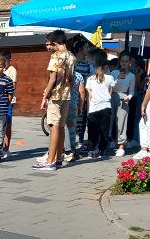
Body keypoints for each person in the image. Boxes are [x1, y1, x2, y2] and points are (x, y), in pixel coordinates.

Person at [35, 30, 76, 171]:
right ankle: (58, 159)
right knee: (61, 126)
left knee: (53, 127)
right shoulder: (72, 56)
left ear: (55, 42)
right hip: (66, 95)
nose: (50, 47)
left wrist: (44, 97)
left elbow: (52, 79)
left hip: (55, 95)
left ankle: (50, 160)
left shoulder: (55, 56)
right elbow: (72, 79)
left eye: (51, 44)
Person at [84, 50, 115, 159]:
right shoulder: (110, 78)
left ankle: (91, 150)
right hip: (106, 106)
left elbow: (89, 96)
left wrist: (88, 109)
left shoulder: (90, 79)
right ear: (106, 67)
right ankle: (102, 150)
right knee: (104, 130)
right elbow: (110, 93)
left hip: (94, 107)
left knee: (92, 130)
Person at [111, 51, 136, 157]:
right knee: (111, 120)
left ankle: (121, 146)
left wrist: (128, 97)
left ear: (129, 62)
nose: (124, 63)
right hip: (113, 96)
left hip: (123, 97)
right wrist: (118, 78)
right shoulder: (114, 73)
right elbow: (111, 87)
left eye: (126, 61)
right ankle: (112, 139)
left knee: (122, 122)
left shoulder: (132, 76)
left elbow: (132, 91)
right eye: (122, 61)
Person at [0, 50, 17, 158]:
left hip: (9, 101)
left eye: (5, 62)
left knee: (7, 124)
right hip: (0, 101)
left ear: (9, 60)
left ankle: (6, 149)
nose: (3, 64)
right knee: (0, 124)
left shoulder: (12, 70)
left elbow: (13, 86)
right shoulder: (1, 70)